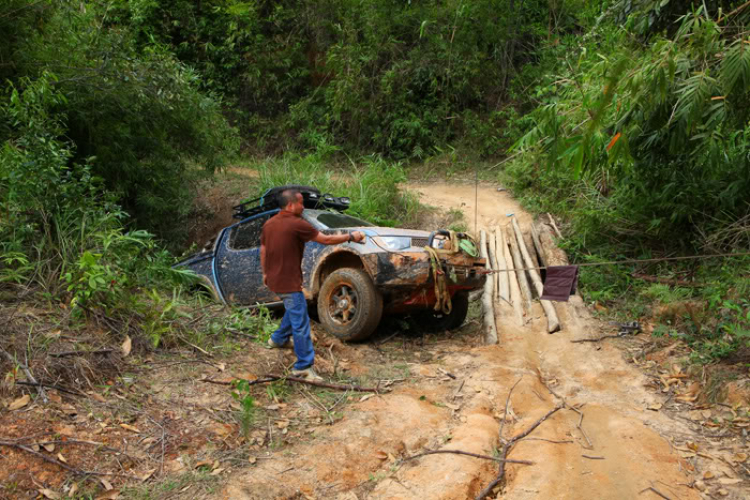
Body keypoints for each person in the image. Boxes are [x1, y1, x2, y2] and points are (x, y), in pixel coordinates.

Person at [260, 189, 365, 381]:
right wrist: (352, 237)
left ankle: (277, 339)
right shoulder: (297, 223)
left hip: (275, 280)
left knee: (294, 311)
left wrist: (265, 273)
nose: (303, 206)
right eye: (301, 203)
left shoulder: (269, 223)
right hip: (288, 282)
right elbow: (325, 239)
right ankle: (303, 367)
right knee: (301, 324)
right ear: (291, 205)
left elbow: (264, 249)